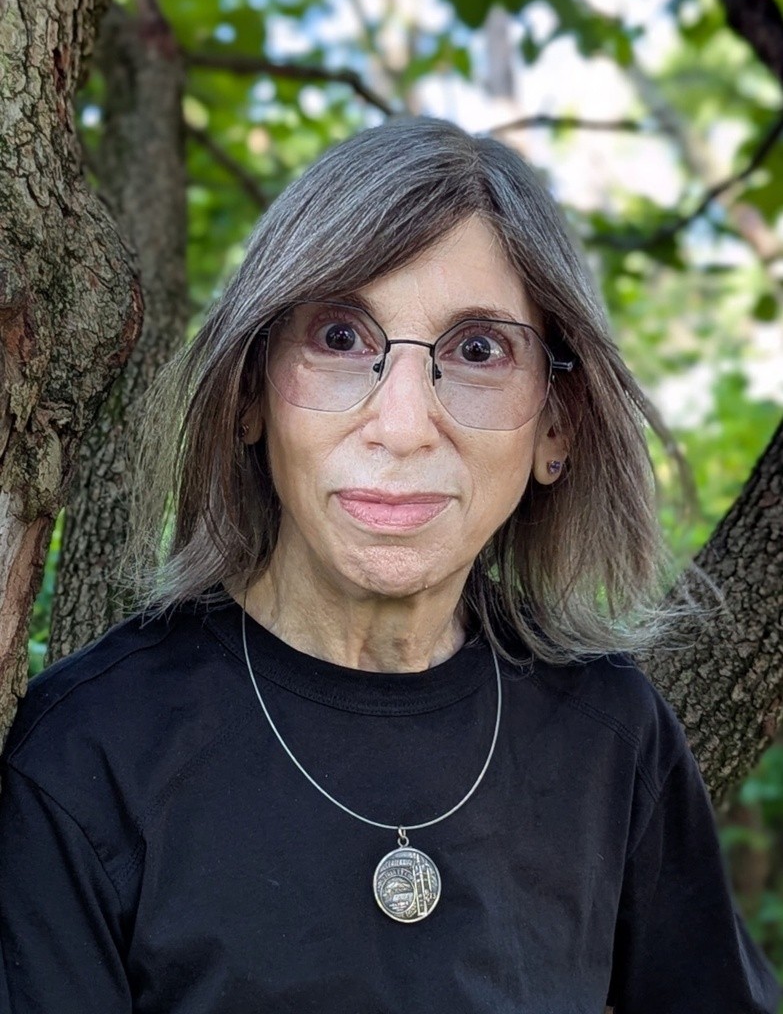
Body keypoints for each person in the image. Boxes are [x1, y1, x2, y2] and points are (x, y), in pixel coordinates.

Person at [0, 117, 778, 1014]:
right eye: (339, 338)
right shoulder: (90, 750)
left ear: (555, 427)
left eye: (478, 351)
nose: (402, 426)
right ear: (250, 395)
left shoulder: (611, 732)